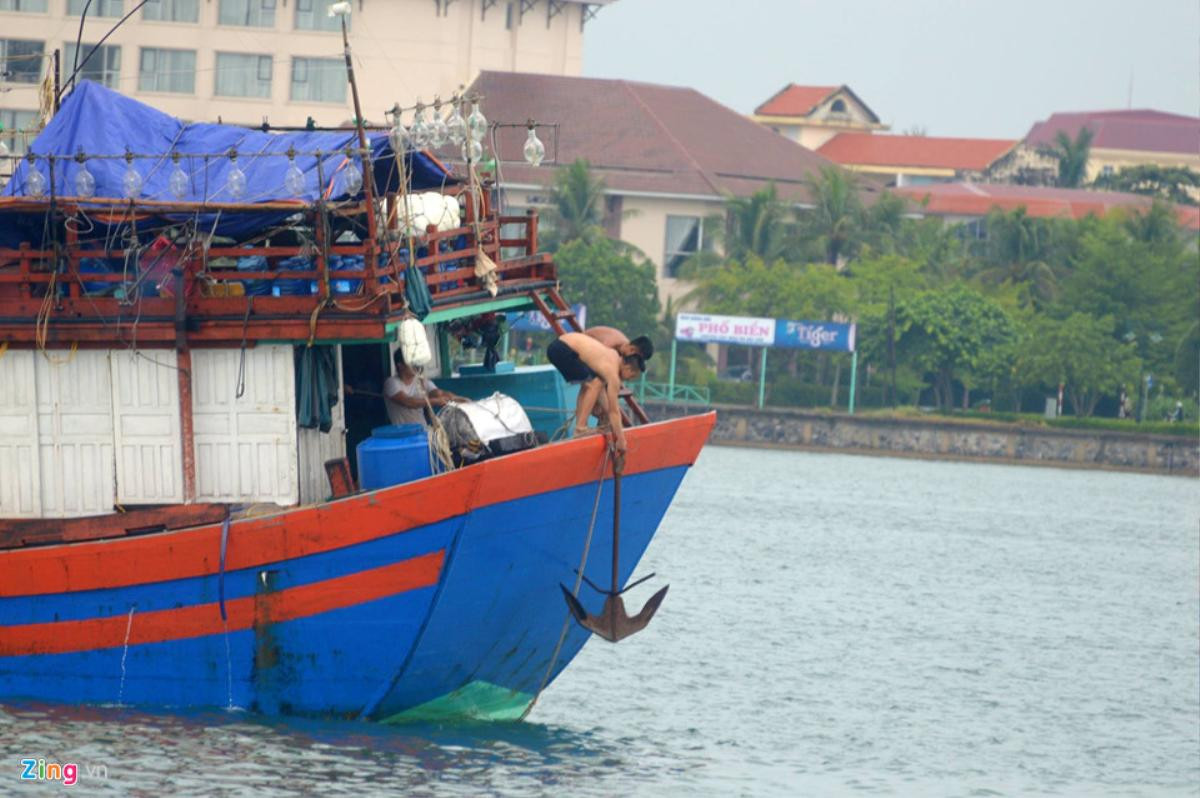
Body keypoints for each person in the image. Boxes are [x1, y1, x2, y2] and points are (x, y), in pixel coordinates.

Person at [547, 331, 647, 453]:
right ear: (627, 367)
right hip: (562, 349)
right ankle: (580, 429)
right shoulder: (613, 375)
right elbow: (614, 411)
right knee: (592, 384)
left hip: (560, 345)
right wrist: (621, 440)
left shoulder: (613, 356)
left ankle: (580, 427)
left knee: (593, 383)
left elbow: (603, 397)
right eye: (632, 376)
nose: (628, 379)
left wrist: (607, 417)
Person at [383, 347, 466, 426]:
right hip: (402, 436)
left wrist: (461, 400)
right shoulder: (391, 383)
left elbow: (439, 394)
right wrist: (436, 401)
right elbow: (409, 402)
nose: (416, 365)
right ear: (400, 365)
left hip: (422, 433)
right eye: (411, 362)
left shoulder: (421, 381)